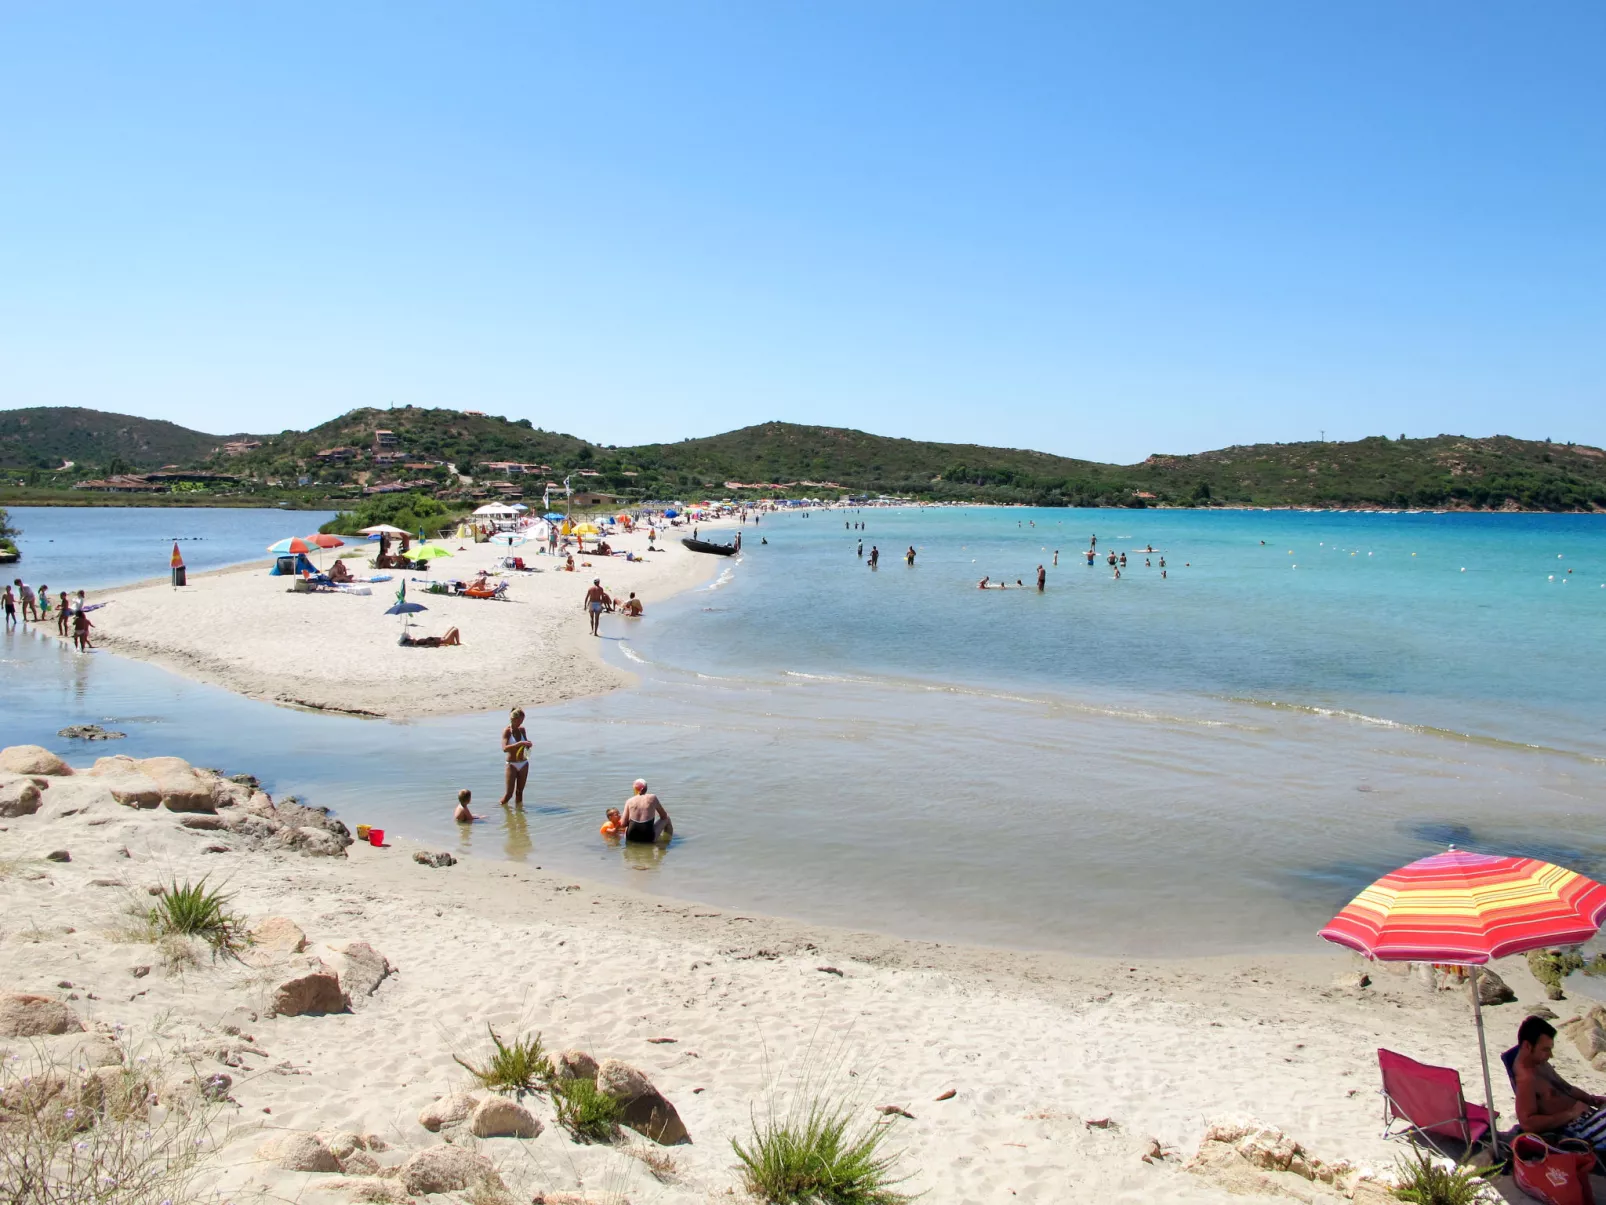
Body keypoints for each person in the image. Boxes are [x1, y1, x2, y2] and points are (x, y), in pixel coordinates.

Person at [1514, 1015, 1606, 1148]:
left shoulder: (1540, 1063)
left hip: (1588, 1117)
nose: (1550, 1055)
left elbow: (1567, 1088)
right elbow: (1527, 1123)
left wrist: (1592, 1099)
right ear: (1527, 1046)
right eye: (1545, 1049)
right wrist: (1571, 1114)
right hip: (1577, 1131)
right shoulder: (1526, 1079)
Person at [621, 778, 673, 843]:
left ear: (635, 789)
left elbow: (623, 824)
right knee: (667, 818)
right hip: (648, 839)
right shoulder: (653, 798)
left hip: (630, 838)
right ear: (646, 789)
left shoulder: (629, 801)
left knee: (629, 821)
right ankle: (667, 843)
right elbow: (664, 816)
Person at [499, 708, 531, 807]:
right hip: (512, 764)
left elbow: (525, 742)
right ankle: (498, 807)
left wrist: (528, 744)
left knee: (519, 792)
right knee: (509, 794)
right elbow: (504, 748)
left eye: (522, 721)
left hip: (523, 763)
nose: (521, 723)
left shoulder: (522, 730)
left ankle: (519, 812)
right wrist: (519, 744)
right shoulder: (507, 731)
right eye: (519, 721)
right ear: (513, 719)